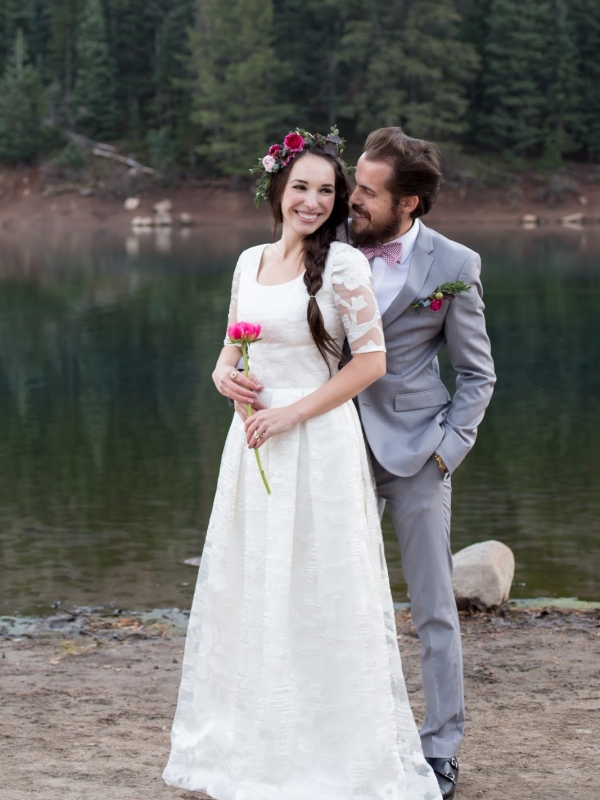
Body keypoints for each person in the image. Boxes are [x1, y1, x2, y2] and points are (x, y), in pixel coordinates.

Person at [162, 129, 442, 799]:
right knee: (253, 585)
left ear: (338, 199)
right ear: (276, 192)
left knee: (319, 588)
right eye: (301, 188)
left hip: (315, 442)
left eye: (326, 190)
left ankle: (330, 750)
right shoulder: (249, 261)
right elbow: (230, 352)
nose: (313, 201)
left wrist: (294, 413)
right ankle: (254, 739)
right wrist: (224, 379)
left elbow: (370, 362)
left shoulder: (344, 266)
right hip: (253, 444)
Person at [348, 127, 496, 800]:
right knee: (340, 603)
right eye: (355, 183)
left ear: (408, 202)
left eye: (367, 190)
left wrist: (448, 451)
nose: (353, 198)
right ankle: (349, 738)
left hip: (417, 456)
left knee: (434, 609)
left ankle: (440, 748)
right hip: (337, 452)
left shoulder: (455, 263)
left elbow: (477, 374)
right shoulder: (333, 248)